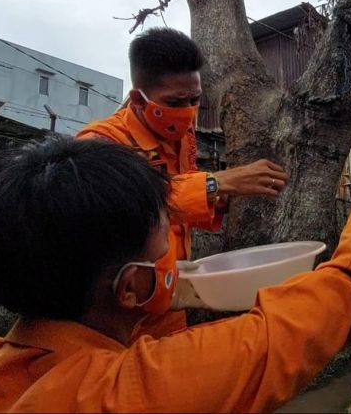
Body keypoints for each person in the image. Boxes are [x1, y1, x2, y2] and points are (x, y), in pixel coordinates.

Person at [0, 99, 351, 413]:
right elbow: (348, 292)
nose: (182, 265)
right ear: (131, 286)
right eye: (169, 254)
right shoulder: (141, 390)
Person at [77, 27, 289, 338]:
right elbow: (125, 213)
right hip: (118, 318)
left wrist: (215, 202)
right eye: (176, 102)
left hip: (171, 301)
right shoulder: (101, 143)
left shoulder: (182, 135)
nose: (188, 113)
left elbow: (176, 196)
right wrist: (215, 183)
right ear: (138, 99)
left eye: (195, 100)